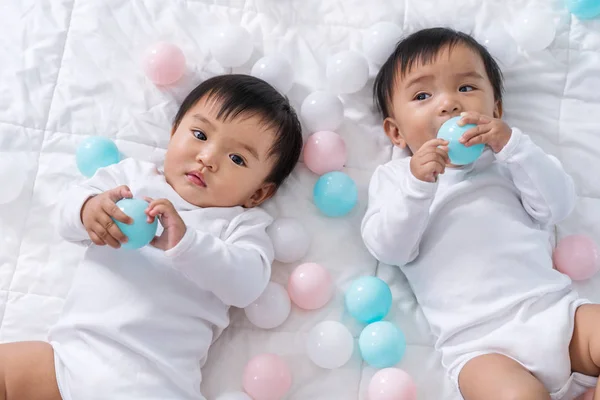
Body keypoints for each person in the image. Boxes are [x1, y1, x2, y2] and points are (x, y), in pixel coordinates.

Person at [0, 74, 303, 400]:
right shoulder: (130, 178)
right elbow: (64, 215)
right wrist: (90, 211)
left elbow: (247, 284)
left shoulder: (239, 225)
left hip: (153, 382)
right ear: (174, 132)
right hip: (69, 358)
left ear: (259, 193)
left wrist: (187, 244)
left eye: (237, 159)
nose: (208, 158)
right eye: (200, 135)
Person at [362, 27, 600, 400]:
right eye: (423, 95)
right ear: (396, 132)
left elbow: (557, 206)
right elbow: (389, 249)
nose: (449, 105)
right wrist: (418, 185)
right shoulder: (397, 180)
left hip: (556, 311)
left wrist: (513, 146)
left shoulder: (510, 160)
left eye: (466, 88)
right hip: (480, 345)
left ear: (496, 110)